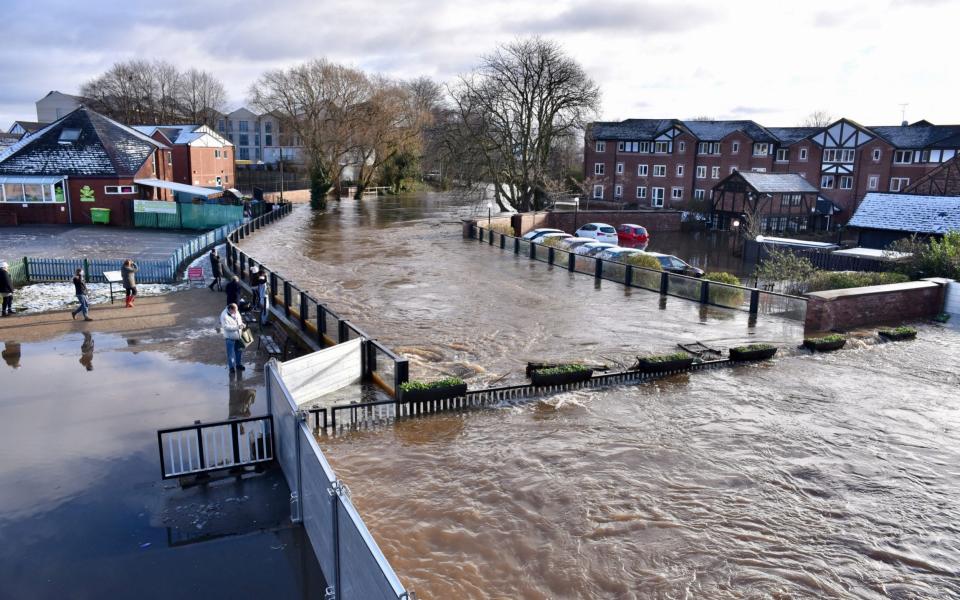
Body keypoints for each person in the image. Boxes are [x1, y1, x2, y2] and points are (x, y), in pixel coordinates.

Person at [220, 302, 247, 373]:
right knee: (231, 354)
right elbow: (225, 327)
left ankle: (238, 365)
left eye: (236, 311)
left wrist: (242, 324)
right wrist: (237, 327)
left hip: (238, 336)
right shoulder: (224, 315)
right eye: (234, 311)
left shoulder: (236, 311)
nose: (236, 313)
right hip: (230, 338)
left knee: (239, 351)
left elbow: (239, 320)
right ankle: (231, 368)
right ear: (230, 309)